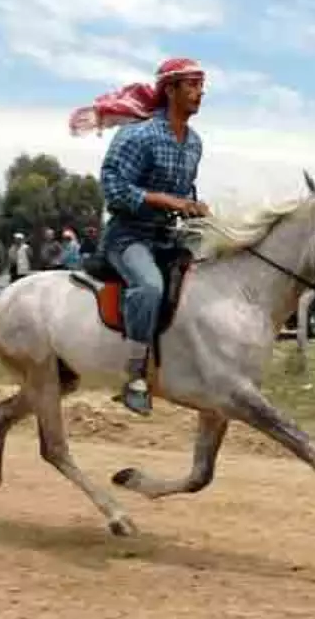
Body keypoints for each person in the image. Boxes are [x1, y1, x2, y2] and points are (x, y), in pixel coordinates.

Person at [69, 57, 212, 415]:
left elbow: (184, 192)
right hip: (128, 237)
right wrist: (162, 200)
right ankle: (134, 375)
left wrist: (194, 207)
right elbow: (113, 187)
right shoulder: (138, 135)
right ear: (170, 89)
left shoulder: (195, 143)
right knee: (149, 287)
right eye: (191, 85)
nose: (199, 92)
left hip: (169, 237)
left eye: (200, 84)